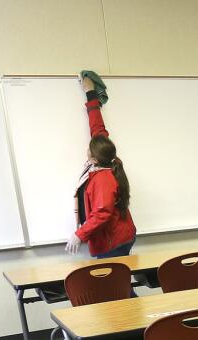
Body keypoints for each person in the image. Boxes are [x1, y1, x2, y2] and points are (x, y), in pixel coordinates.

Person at [65, 70, 137, 258]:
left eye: (89, 149)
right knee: (117, 285)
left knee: (114, 286)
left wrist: (78, 235)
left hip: (114, 241)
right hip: (116, 237)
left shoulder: (103, 178)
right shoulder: (106, 156)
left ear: (93, 158)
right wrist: (90, 93)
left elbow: (102, 213)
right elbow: (97, 127)